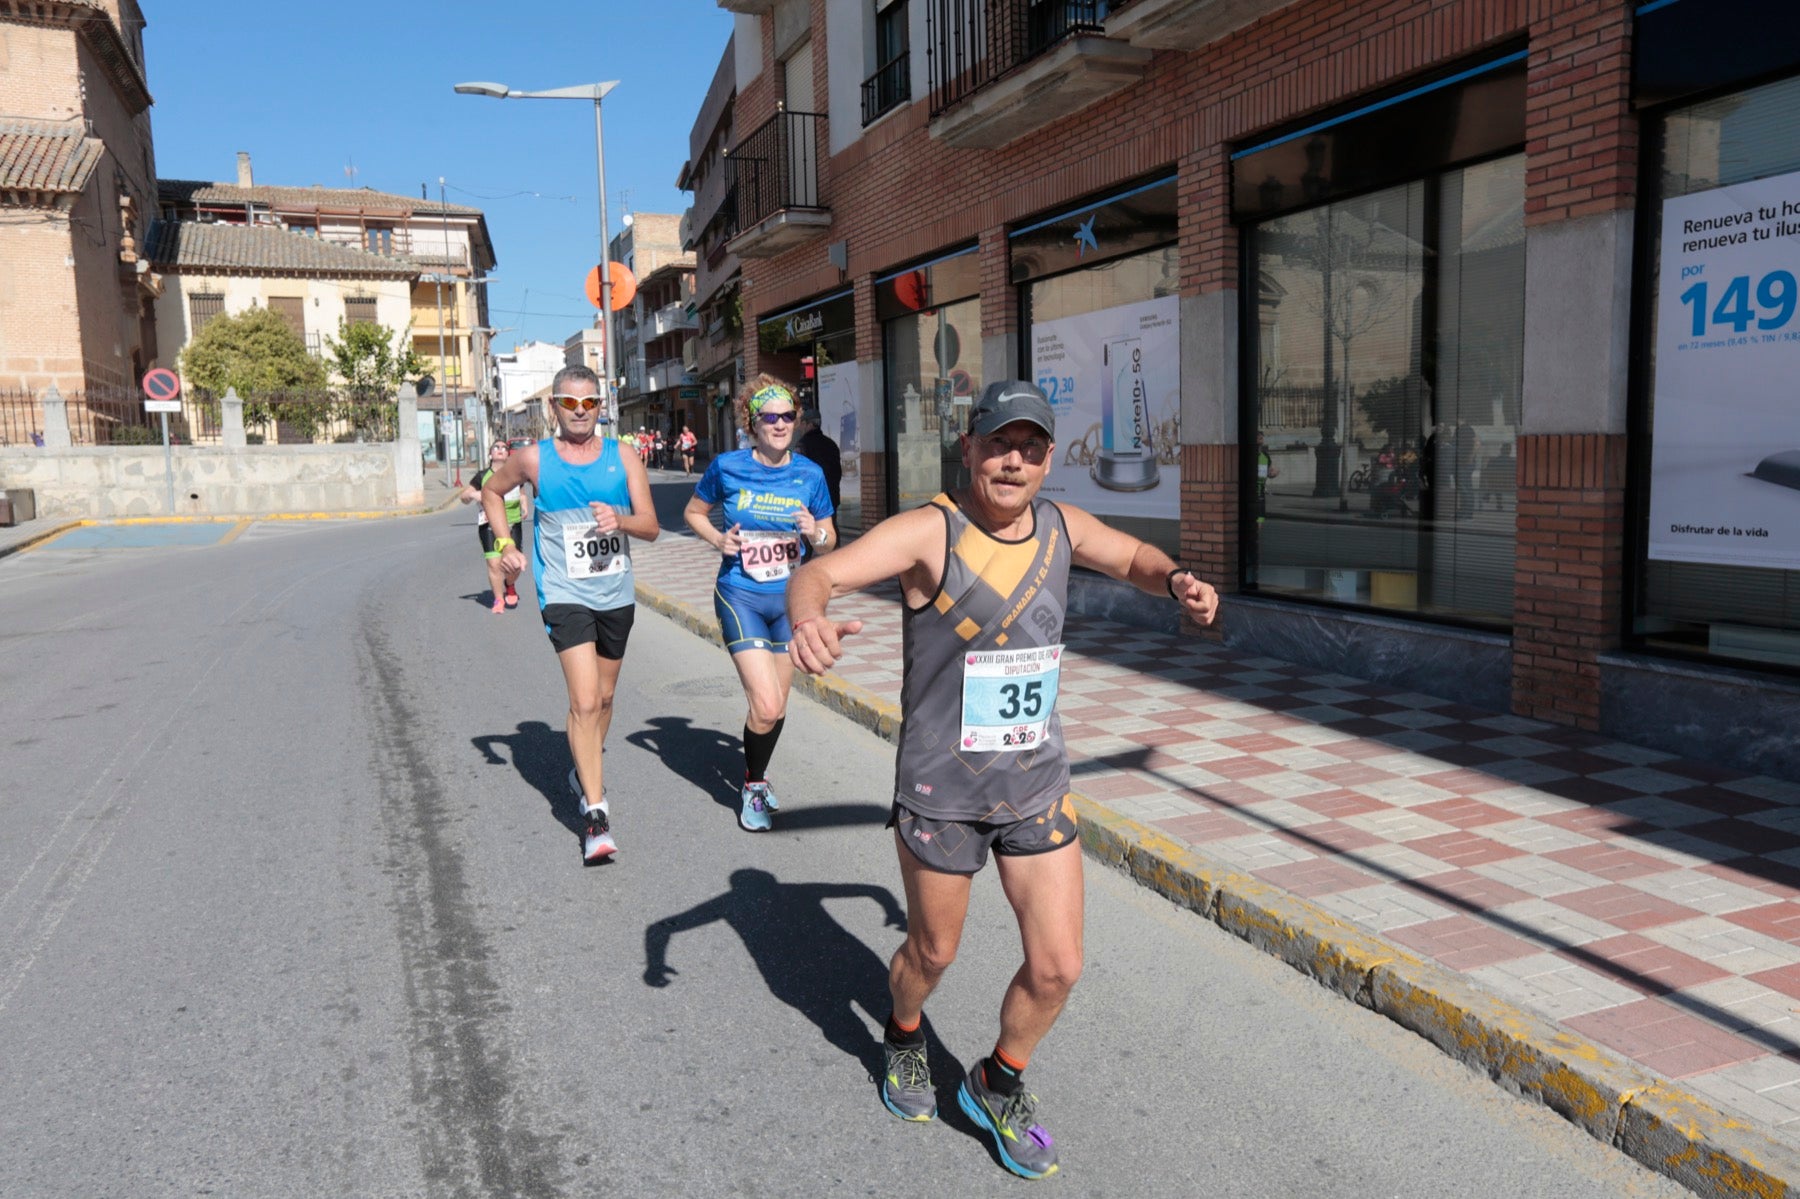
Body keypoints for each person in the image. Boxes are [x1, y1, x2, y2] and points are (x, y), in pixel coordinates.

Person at [786, 380, 1219, 1181]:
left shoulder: (1060, 527)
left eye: (1030, 447)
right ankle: (906, 1033)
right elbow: (823, 573)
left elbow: (1131, 555)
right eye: (998, 442)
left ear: (1048, 459)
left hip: (1036, 782)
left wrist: (1177, 579)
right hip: (941, 787)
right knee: (933, 949)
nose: (1013, 459)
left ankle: (997, 1078)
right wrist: (806, 615)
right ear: (971, 448)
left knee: (1059, 964)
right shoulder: (929, 531)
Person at [482, 365, 659, 863]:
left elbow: (651, 526)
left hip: (615, 592)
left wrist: (620, 519)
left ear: (600, 407)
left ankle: (584, 767)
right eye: (569, 403)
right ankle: (596, 814)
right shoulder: (533, 459)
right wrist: (503, 544)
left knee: (603, 699)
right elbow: (493, 492)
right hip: (563, 591)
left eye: (589, 404)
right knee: (583, 702)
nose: (580, 413)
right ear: (552, 407)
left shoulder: (623, 456)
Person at [684, 375, 835, 833]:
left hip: (790, 602)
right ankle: (753, 789)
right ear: (752, 422)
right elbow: (693, 512)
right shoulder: (727, 467)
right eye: (770, 416)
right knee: (766, 706)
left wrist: (816, 534)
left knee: (777, 707)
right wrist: (717, 539)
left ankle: (756, 777)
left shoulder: (810, 474)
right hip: (741, 595)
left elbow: (829, 544)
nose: (780, 423)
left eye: (788, 415)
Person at [460, 441, 528, 614]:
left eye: (504, 448)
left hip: (513, 523)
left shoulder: (513, 473)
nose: (500, 450)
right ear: (490, 454)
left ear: (508, 454)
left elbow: (521, 493)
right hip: (488, 524)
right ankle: (498, 598)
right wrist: (473, 495)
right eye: (496, 448)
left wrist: (524, 504)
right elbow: (464, 496)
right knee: (494, 563)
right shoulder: (482, 476)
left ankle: (510, 585)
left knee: (515, 564)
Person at [796, 406, 843, 514]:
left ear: (809, 424)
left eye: (802, 424)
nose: (801, 427)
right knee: (829, 528)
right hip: (832, 497)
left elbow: (798, 473)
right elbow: (838, 473)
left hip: (811, 500)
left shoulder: (803, 444)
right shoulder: (831, 444)